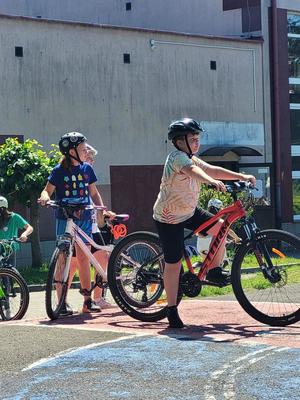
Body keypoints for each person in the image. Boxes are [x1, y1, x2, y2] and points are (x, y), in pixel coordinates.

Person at [153, 118, 256, 329]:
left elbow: (212, 169)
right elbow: (195, 173)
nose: (197, 143)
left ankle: (214, 270)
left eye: (198, 139)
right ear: (180, 141)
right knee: (174, 263)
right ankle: (171, 309)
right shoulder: (176, 158)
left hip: (189, 211)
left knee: (221, 227)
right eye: (193, 139)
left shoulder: (191, 158)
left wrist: (241, 175)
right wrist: (210, 182)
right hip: (169, 216)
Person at [38, 132, 107, 314]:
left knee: (84, 258)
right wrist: (44, 198)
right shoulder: (58, 171)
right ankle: (62, 302)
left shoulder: (87, 169)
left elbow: (93, 193)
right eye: (83, 149)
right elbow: (47, 191)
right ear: (71, 151)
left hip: (83, 218)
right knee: (62, 258)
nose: (86, 152)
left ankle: (87, 300)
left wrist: (100, 208)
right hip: (64, 218)